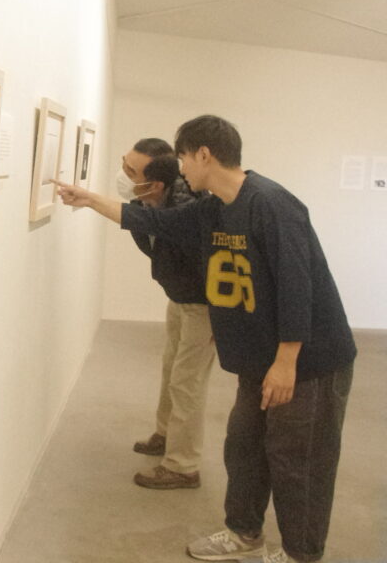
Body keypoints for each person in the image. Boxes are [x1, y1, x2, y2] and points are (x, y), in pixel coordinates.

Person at [54, 115, 356, 563]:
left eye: (181, 158)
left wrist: (287, 361)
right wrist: (91, 200)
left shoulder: (272, 204)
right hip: (259, 359)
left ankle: (300, 554)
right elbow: (159, 222)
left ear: (203, 154)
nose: (179, 169)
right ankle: (244, 535)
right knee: (244, 449)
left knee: (299, 463)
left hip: (308, 361)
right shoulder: (213, 207)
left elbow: (298, 285)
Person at [117, 138, 216, 490]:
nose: (123, 174)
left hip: (202, 305)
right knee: (170, 368)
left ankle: (183, 465)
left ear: (156, 182)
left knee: (187, 382)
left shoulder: (185, 210)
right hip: (179, 297)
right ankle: (165, 435)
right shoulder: (148, 200)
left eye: (131, 170)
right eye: (124, 164)